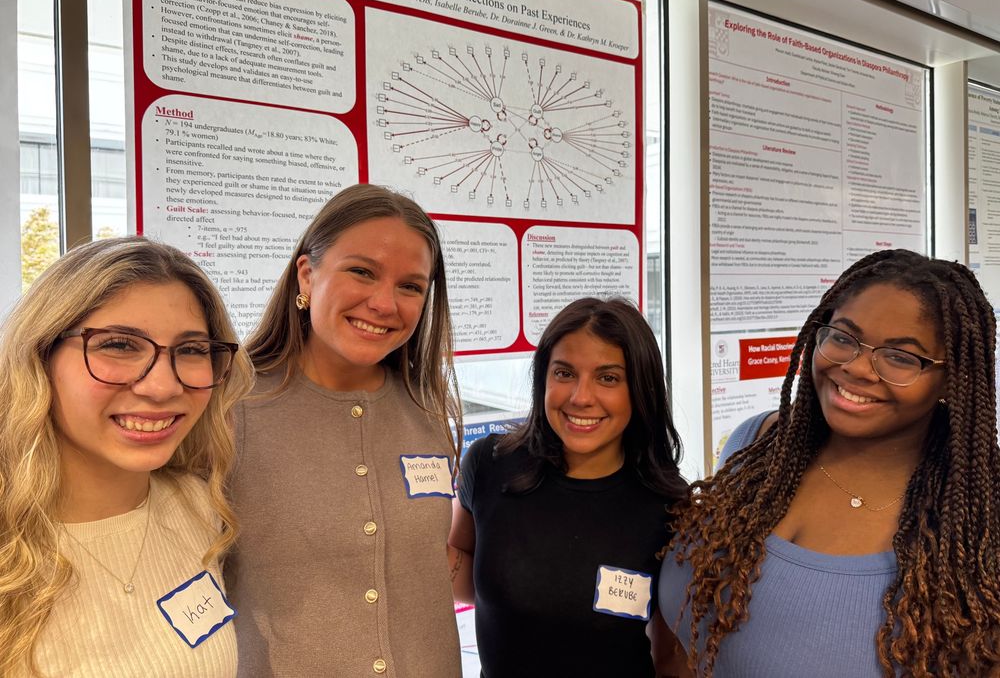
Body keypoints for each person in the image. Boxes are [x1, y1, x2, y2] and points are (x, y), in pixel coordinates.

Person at [659, 249, 1000, 677]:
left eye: (900, 357)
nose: (857, 368)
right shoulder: (758, 443)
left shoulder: (978, 521)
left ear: (952, 378)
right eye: (843, 337)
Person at [227, 184, 463, 677]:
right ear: (307, 275)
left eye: (410, 286)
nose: (384, 303)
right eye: (362, 272)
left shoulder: (426, 410)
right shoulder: (232, 407)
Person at [0, 236, 254, 678]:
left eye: (191, 350)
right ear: (40, 357)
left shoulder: (197, 507)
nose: (163, 387)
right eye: (119, 345)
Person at [449, 297, 688, 678]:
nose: (581, 397)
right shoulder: (490, 463)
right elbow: (463, 566)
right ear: (543, 378)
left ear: (640, 389)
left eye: (608, 378)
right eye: (564, 373)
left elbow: (671, 660)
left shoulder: (670, 508)